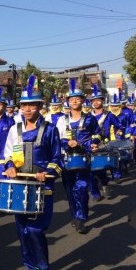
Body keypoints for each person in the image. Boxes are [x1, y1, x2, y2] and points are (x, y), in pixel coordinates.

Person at [1, 74, 62, 270]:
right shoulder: (14, 129)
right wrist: (10, 166)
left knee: (36, 229)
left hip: (42, 186)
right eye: (24, 106)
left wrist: (48, 172)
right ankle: (30, 266)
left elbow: (57, 158)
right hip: (20, 185)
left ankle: (42, 267)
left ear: (40, 106)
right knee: (22, 230)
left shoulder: (50, 129)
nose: (28, 110)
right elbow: (7, 154)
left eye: (32, 105)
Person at [56, 78, 101, 234]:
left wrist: (94, 143)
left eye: (77, 99)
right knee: (69, 190)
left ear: (82, 101)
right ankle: (75, 215)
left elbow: (97, 134)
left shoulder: (90, 118)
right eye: (71, 99)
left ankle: (82, 217)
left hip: (84, 158)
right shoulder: (62, 120)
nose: (74, 101)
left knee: (81, 188)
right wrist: (67, 143)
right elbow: (57, 138)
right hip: (66, 159)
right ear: (68, 102)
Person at [89, 85, 122, 200]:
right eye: (94, 100)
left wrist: (119, 133)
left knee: (101, 168)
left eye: (99, 100)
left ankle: (105, 186)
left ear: (103, 101)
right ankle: (95, 193)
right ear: (92, 102)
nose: (96, 102)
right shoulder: (88, 116)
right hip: (90, 145)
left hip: (104, 144)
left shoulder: (109, 115)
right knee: (90, 171)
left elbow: (119, 126)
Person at [108, 94, 131, 183]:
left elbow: (128, 126)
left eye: (116, 106)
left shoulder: (124, 115)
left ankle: (117, 175)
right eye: (112, 106)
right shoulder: (107, 116)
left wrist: (127, 135)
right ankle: (113, 173)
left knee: (119, 157)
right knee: (109, 157)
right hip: (108, 139)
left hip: (120, 139)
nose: (114, 108)